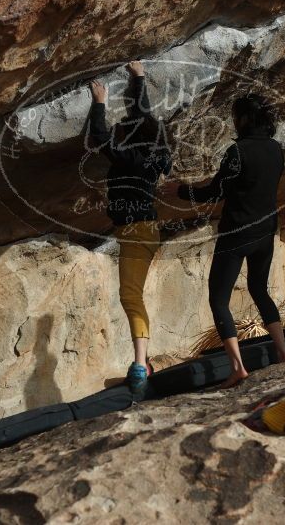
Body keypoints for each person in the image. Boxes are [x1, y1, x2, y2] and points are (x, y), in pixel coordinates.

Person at [176, 94, 285, 389]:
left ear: (244, 119)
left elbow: (215, 192)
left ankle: (238, 367)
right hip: (266, 230)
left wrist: (181, 192)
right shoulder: (277, 149)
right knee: (258, 289)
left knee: (218, 298)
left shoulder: (238, 151)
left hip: (238, 231)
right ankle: (283, 352)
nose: (233, 121)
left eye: (235, 115)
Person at [87, 61, 172, 398]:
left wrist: (99, 102)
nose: (123, 129)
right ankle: (143, 360)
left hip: (137, 232)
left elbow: (100, 137)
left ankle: (140, 364)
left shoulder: (131, 158)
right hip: (143, 230)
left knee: (130, 296)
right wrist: (138, 78)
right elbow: (144, 117)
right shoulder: (155, 153)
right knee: (133, 293)